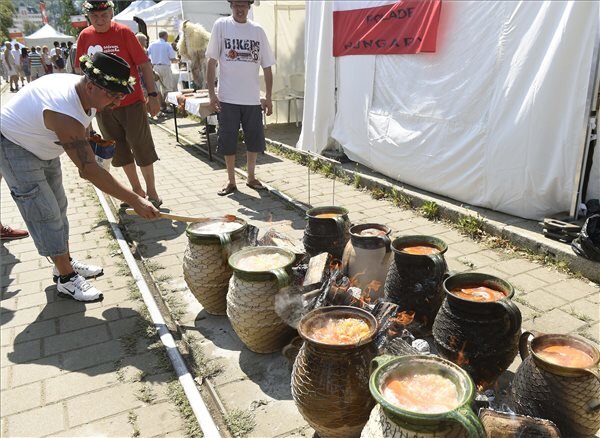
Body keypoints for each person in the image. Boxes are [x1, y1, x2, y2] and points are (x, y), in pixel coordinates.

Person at [0, 52, 160, 301]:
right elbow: (88, 171)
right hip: (14, 144)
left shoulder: (88, 95)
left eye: (120, 95)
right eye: (113, 95)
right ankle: (66, 278)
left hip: (43, 142)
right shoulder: (65, 110)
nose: (116, 103)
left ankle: (64, 262)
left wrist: (90, 142)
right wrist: (136, 199)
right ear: (91, 85)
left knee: (59, 206)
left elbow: (83, 140)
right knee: (44, 212)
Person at [75, 0, 163, 208]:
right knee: (119, 150)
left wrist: (152, 94)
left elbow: (143, 64)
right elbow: (80, 72)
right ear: (88, 16)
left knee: (141, 146)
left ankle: (152, 191)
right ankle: (136, 190)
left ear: (111, 13)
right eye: (95, 16)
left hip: (131, 102)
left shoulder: (124, 32)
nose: (100, 20)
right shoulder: (85, 36)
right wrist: (84, 106)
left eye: (104, 15)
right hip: (102, 107)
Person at [206, 0, 275, 196]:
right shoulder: (221, 26)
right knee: (228, 139)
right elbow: (211, 62)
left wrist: (268, 96)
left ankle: (251, 177)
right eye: (236, 5)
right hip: (228, 97)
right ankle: (230, 181)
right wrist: (212, 93)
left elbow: (268, 66)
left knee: (254, 139)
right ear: (231, 6)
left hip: (252, 98)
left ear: (249, 6)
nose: (239, 9)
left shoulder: (258, 31)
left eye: (243, 5)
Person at [147, 30, 177, 113]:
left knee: (157, 87)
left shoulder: (152, 44)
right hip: (165, 67)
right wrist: (178, 60)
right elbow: (172, 59)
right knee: (168, 87)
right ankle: (168, 106)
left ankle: (160, 106)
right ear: (165, 36)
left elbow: (146, 54)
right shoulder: (167, 45)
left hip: (155, 67)